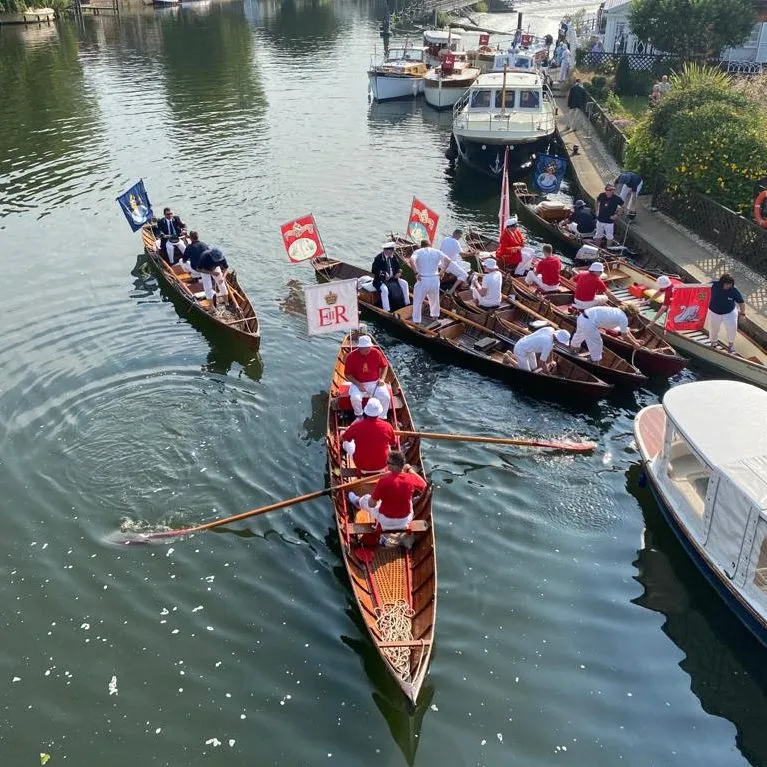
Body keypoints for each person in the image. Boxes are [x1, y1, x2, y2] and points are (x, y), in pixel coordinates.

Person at [347, 449, 427, 532]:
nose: (386, 464)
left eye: (388, 463)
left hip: (386, 521)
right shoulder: (410, 478)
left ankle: (357, 502)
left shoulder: (383, 481)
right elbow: (424, 486)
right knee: (408, 500)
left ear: (395, 466)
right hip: (405, 520)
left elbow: (371, 504)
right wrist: (409, 469)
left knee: (366, 499)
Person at [341, 398, 397, 473]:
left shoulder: (357, 426)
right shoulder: (388, 426)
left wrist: (347, 430)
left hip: (361, 466)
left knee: (345, 441)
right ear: (379, 412)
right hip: (383, 465)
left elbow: (342, 438)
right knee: (388, 445)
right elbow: (393, 443)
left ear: (366, 412)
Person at [571, 304, 642, 362]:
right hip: (589, 323)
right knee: (597, 343)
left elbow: (625, 330)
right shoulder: (623, 318)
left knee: (579, 335)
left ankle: (572, 349)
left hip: (582, 317)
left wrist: (635, 341)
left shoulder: (617, 311)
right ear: (632, 314)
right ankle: (595, 361)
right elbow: (624, 336)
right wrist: (634, 344)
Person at [343, 335, 391, 419]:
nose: (367, 350)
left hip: (375, 382)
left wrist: (382, 379)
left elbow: (385, 366)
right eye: (365, 348)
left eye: (369, 347)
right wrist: (358, 384)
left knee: (386, 397)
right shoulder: (351, 356)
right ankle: (359, 415)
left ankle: (381, 417)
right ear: (359, 348)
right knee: (355, 398)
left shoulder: (376, 352)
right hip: (358, 383)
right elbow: (347, 374)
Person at [408, 239, 448, 324]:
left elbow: (411, 260)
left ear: (421, 245)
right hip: (435, 279)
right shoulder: (436, 251)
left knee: (418, 301)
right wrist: (442, 271)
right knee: (434, 300)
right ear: (430, 245)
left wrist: (416, 273)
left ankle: (417, 321)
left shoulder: (418, 252)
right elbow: (448, 260)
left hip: (423, 279)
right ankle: (435, 317)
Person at [707, 273, 746, 353]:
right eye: (727, 284)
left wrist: (743, 314)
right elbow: (701, 289)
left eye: (730, 285)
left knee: (732, 327)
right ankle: (713, 342)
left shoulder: (734, 290)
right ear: (721, 283)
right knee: (714, 328)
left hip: (729, 312)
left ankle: (731, 345)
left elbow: (741, 302)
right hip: (714, 311)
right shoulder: (713, 285)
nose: (728, 286)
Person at [371, 243, 410, 312]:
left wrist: (399, 272)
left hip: (393, 279)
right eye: (392, 251)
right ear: (387, 251)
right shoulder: (378, 258)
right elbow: (374, 270)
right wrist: (383, 273)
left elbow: (398, 267)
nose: (393, 253)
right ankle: (387, 309)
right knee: (385, 290)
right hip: (381, 280)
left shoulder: (393, 257)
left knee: (405, 283)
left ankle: (407, 303)